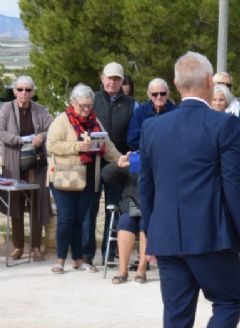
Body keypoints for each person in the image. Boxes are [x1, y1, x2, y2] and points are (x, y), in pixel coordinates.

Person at [138, 51, 240, 328]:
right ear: (211, 83)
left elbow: (146, 188)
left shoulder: (153, 129)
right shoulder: (223, 125)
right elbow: (235, 187)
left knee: (176, 319)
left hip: (167, 239)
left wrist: (150, 236)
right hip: (210, 237)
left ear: (176, 86)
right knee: (228, 302)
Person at [46, 83, 124, 274]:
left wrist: (121, 159)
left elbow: (108, 145)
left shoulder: (95, 121)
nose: (86, 109)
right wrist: (77, 147)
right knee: (66, 218)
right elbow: (51, 145)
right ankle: (60, 259)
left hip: (88, 178)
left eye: (89, 105)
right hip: (65, 178)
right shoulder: (62, 120)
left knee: (80, 219)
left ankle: (78, 259)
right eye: (82, 106)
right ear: (73, 103)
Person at [0, 76, 53, 262]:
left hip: (35, 164)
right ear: (14, 91)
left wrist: (41, 136)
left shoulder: (40, 110)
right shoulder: (6, 108)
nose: (24, 93)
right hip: (13, 163)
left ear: (33, 92)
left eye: (28, 90)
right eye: (20, 89)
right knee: (15, 204)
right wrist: (19, 139)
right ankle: (18, 246)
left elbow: (52, 128)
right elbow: (1, 131)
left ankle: (37, 247)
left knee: (36, 204)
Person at [88, 62, 136, 265]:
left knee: (114, 208)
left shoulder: (132, 104)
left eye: (117, 78)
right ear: (102, 78)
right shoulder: (92, 100)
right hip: (92, 162)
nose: (112, 82)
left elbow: (134, 135)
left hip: (119, 164)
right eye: (109, 78)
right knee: (89, 210)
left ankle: (109, 254)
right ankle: (87, 255)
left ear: (121, 81)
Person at [127, 78, 176, 151]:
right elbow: (132, 140)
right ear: (149, 95)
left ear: (168, 93)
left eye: (162, 93)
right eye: (155, 94)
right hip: (147, 156)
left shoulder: (176, 112)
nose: (159, 97)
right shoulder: (140, 112)